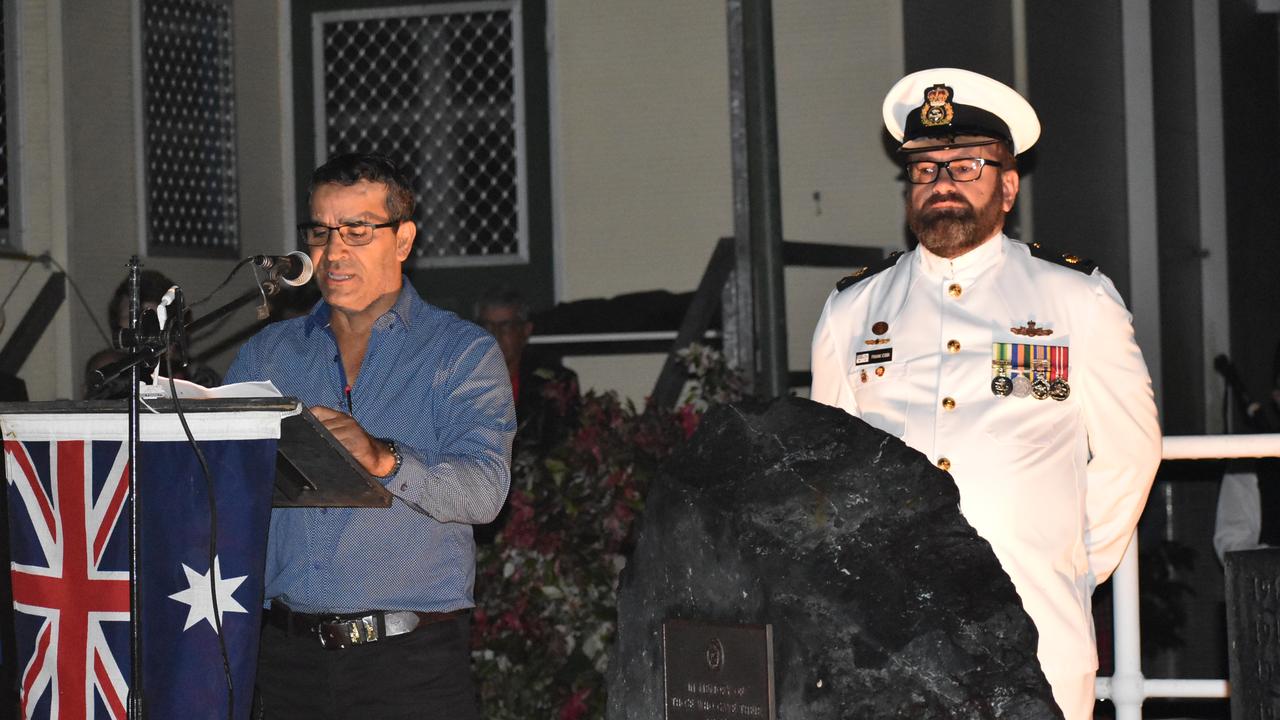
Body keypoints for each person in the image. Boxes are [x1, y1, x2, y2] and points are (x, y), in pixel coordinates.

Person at [810, 68, 1162, 719]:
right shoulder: (852, 311)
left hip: (1035, 631)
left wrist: (1068, 567)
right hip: (892, 643)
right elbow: (834, 473)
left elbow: (1130, 454)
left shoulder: (1074, 297)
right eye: (924, 168)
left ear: (1007, 185)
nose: (942, 182)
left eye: (966, 164)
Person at [223, 153, 515, 719]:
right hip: (286, 660)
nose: (333, 253)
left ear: (403, 240)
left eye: (357, 231)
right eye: (320, 232)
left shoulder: (460, 353)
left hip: (409, 664)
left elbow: (485, 493)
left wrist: (384, 458)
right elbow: (226, 490)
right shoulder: (269, 353)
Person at [474, 285, 579, 450]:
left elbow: (564, 450)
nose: (495, 335)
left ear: (525, 331)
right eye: (488, 327)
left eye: (505, 327)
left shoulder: (554, 383)